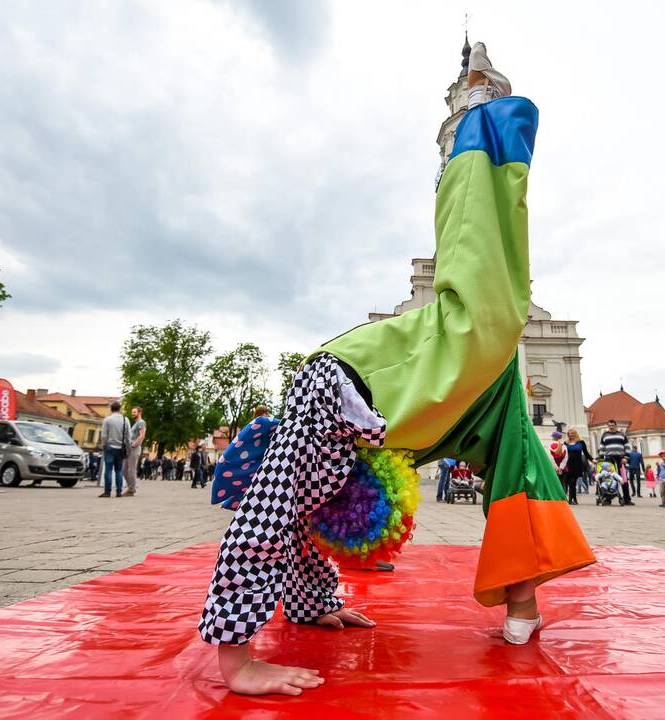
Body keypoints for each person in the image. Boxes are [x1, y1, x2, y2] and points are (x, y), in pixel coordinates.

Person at [200, 51, 595, 695]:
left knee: (484, 277)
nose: (385, 548)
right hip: (427, 387)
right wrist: (252, 651)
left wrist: (256, 644)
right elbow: (269, 528)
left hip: (399, 378)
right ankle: (481, 124)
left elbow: (271, 526)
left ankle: (481, 124)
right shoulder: (346, 434)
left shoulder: (327, 432)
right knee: (490, 291)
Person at [98, 401, 130, 498]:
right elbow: (128, 436)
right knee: (118, 470)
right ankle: (119, 492)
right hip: (121, 448)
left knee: (108, 470)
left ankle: (107, 492)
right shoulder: (125, 420)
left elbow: (103, 435)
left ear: (111, 409)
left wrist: (103, 445)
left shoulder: (107, 419)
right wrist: (128, 448)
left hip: (109, 447)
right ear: (120, 409)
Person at [598, 421, 631, 504]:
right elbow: (602, 447)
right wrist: (601, 458)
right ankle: (608, 499)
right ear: (608, 426)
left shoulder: (622, 434)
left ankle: (627, 499)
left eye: (612, 425)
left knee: (623, 479)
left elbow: (627, 446)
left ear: (616, 426)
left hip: (620, 459)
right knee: (608, 478)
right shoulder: (605, 435)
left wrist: (626, 458)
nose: (611, 427)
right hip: (609, 459)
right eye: (609, 425)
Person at [562, 428, 592, 506]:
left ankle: (571, 499)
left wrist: (592, 460)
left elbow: (586, 453)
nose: (571, 435)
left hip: (577, 465)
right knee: (569, 482)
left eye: (573, 433)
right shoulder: (565, 443)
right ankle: (573, 499)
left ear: (576, 434)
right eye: (570, 433)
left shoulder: (581, 442)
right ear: (568, 435)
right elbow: (562, 454)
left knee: (573, 482)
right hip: (567, 464)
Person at [122, 407, 146, 497]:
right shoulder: (136, 423)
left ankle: (131, 490)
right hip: (129, 448)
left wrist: (133, 445)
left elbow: (142, 436)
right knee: (124, 469)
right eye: (132, 412)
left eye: (134, 412)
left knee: (131, 469)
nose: (132, 413)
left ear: (140, 412)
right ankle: (131, 487)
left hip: (134, 449)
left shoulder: (141, 422)